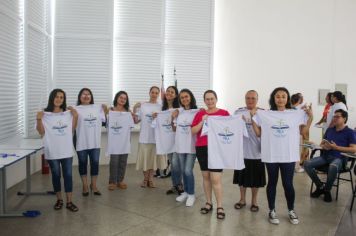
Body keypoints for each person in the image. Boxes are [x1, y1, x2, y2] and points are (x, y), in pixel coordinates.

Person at [251, 87, 313, 225]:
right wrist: (252, 118)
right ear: (273, 98)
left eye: (283, 96)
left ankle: (291, 210)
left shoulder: (295, 114)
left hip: (288, 155)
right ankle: (271, 210)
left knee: (288, 184)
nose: (280, 99)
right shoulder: (265, 114)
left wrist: (311, 117)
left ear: (287, 99)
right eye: (277, 96)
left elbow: (303, 132)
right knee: (272, 182)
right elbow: (259, 133)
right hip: (271, 154)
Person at [36, 89, 79, 212]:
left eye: (61, 97)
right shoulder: (44, 114)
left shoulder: (68, 114)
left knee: (68, 175)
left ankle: (69, 202)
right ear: (52, 98)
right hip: (52, 151)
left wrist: (75, 115)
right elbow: (41, 132)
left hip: (66, 151)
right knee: (55, 175)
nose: (59, 99)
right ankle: (59, 199)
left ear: (63, 99)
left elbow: (72, 129)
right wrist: (39, 119)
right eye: (56, 96)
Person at [191, 90, 230, 220]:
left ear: (216, 99)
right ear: (204, 101)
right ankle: (208, 202)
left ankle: (220, 206)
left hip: (217, 149)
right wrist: (202, 121)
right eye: (207, 99)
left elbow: (231, 128)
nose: (210, 101)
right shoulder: (200, 114)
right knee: (206, 176)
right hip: (202, 148)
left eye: (212, 98)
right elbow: (193, 131)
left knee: (215, 178)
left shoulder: (224, 113)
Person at [304, 109, 356, 202]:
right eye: (334, 116)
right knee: (307, 163)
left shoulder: (350, 132)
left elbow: (353, 149)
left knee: (333, 166)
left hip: (340, 158)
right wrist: (323, 146)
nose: (334, 118)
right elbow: (322, 144)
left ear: (344, 118)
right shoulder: (330, 130)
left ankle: (327, 190)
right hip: (326, 156)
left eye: (337, 116)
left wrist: (336, 147)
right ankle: (320, 187)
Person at [233, 90, 266, 212]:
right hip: (241, 152)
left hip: (257, 153)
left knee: (255, 180)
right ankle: (242, 199)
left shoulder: (263, 113)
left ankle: (254, 201)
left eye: (253, 98)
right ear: (244, 99)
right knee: (241, 179)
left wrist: (253, 117)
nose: (250, 100)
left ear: (257, 99)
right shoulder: (238, 112)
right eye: (248, 98)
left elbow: (264, 132)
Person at [75, 88, 107, 196]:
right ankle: (85, 185)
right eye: (84, 94)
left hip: (95, 142)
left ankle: (93, 185)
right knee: (82, 164)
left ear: (91, 97)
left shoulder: (98, 108)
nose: (86, 96)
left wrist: (105, 110)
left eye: (88, 94)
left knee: (95, 164)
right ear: (80, 97)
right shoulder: (75, 109)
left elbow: (104, 121)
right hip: (81, 142)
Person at [134, 86, 165, 188]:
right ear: (149, 93)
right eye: (153, 92)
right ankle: (145, 179)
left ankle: (151, 179)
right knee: (145, 160)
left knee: (153, 161)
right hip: (144, 137)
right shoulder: (143, 105)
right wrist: (134, 108)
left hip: (156, 138)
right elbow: (136, 121)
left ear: (159, 94)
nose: (154, 94)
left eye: (157, 93)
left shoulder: (161, 107)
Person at [174, 89, 199, 206]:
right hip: (180, 146)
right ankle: (185, 192)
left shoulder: (198, 112)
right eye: (182, 97)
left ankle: (191, 194)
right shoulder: (179, 112)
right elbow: (174, 129)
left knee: (188, 171)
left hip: (191, 147)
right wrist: (172, 118)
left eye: (186, 96)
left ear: (191, 97)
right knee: (183, 171)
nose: (184, 99)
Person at [107, 91, 134, 190]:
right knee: (114, 161)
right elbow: (106, 124)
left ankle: (120, 180)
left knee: (123, 161)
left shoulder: (128, 112)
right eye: (121, 97)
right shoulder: (110, 110)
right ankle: (112, 181)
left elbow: (132, 125)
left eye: (125, 98)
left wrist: (133, 113)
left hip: (125, 140)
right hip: (114, 141)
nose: (122, 100)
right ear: (117, 98)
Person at [158, 86, 183, 195]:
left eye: (172, 92)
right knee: (173, 164)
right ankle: (175, 185)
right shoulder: (162, 109)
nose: (169, 93)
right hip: (167, 141)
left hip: (178, 140)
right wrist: (156, 116)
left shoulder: (180, 109)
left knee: (177, 164)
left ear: (176, 95)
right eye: (167, 91)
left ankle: (180, 185)